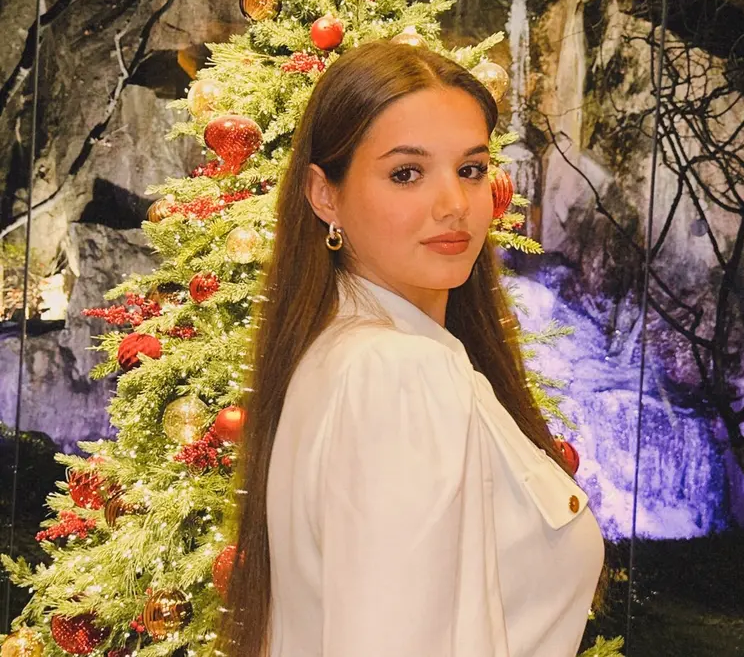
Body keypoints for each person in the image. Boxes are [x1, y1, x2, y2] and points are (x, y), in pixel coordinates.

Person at [219, 40, 605, 657]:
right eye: (406, 173)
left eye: (471, 170)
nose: (454, 205)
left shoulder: (341, 353)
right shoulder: (397, 374)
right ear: (324, 195)